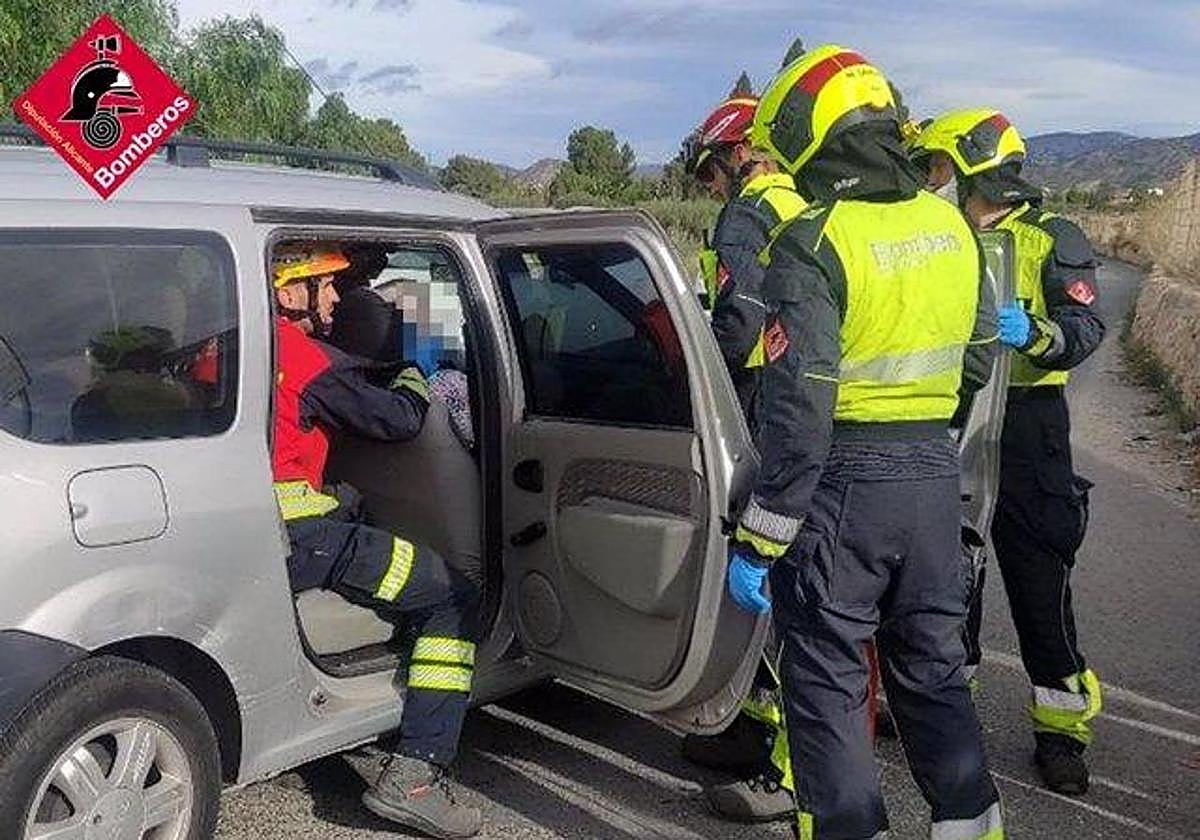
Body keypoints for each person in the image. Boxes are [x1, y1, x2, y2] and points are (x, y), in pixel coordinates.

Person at [729, 45, 1004, 839]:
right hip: (930, 479)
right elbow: (980, 358)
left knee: (828, 687)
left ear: (814, 135)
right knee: (932, 672)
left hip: (842, 490)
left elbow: (800, 412)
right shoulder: (951, 226)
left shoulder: (813, 241)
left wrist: (760, 538)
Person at [911, 109, 1106, 795]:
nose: (932, 181)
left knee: (1037, 578)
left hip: (1027, 426)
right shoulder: (939, 238)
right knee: (952, 572)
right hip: (956, 415)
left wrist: (1037, 333)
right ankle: (950, 710)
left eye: (938, 168)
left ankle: (1060, 731)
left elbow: (1085, 328)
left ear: (973, 169)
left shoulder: (1053, 237)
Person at [271, 245, 482, 839]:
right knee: (450, 596)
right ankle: (416, 776)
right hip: (303, 540)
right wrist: (416, 369)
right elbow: (399, 420)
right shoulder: (302, 357)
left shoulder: (227, 340)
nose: (337, 298)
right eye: (326, 284)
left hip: (259, 532)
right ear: (288, 293)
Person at [679, 86, 807, 823]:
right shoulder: (804, 203)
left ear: (735, 154)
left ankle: (789, 765)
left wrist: (698, 392)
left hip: (761, 404)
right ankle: (753, 727)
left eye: (709, 173)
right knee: (780, 580)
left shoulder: (751, 212)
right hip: (807, 401)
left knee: (771, 576)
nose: (712, 187)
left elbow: (738, 324)